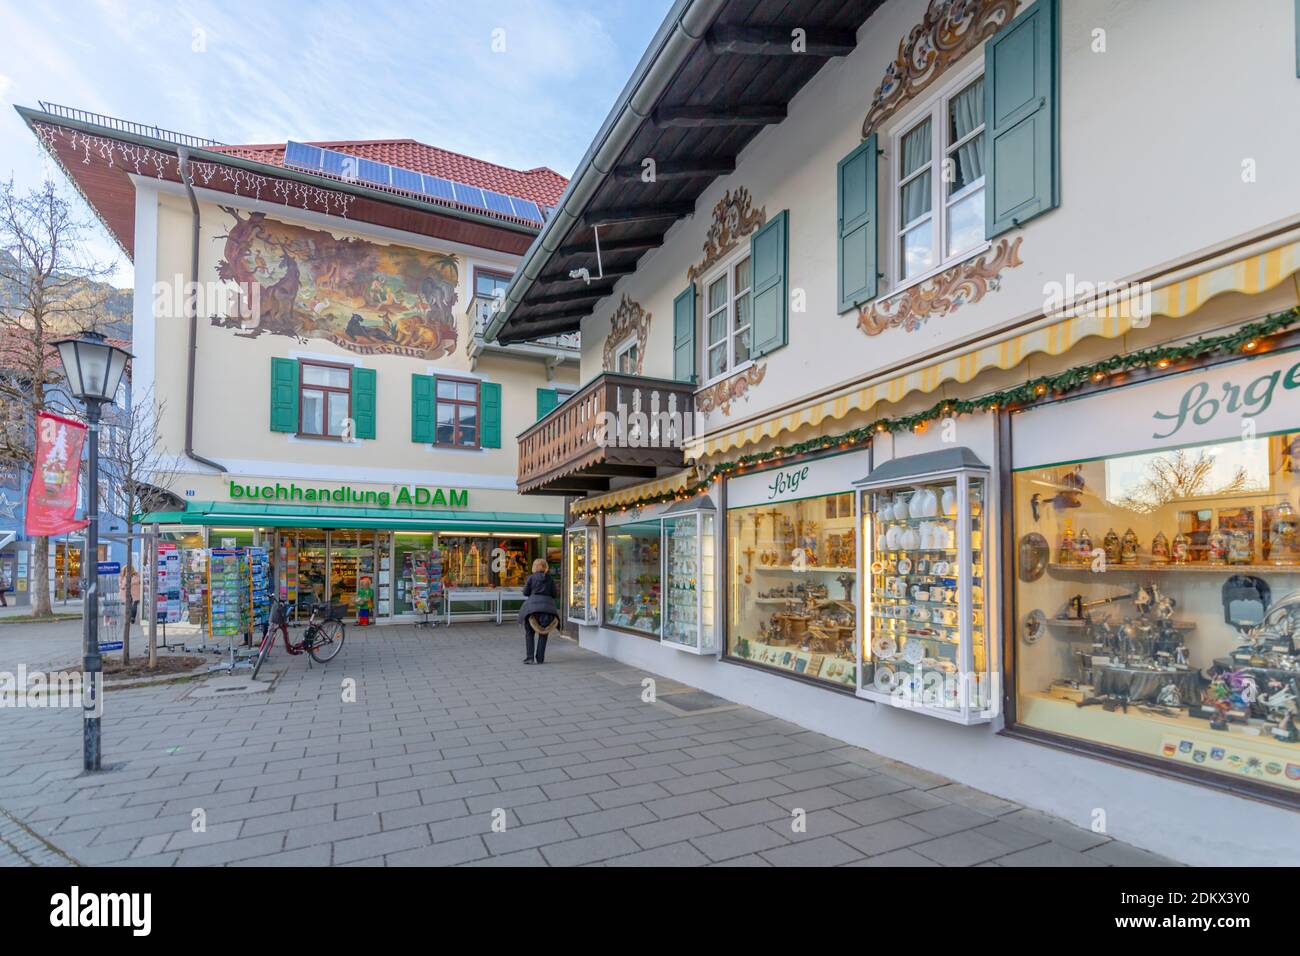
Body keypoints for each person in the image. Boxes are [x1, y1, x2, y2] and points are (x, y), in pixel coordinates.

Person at [517, 557, 559, 664]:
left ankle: (530, 658)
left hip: (532, 609)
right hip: (548, 609)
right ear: (545, 567)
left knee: (529, 633)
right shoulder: (550, 579)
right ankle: (540, 658)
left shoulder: (531, 578)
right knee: (543, 632)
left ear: (534, 567)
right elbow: (554, 594)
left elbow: (526, 593)